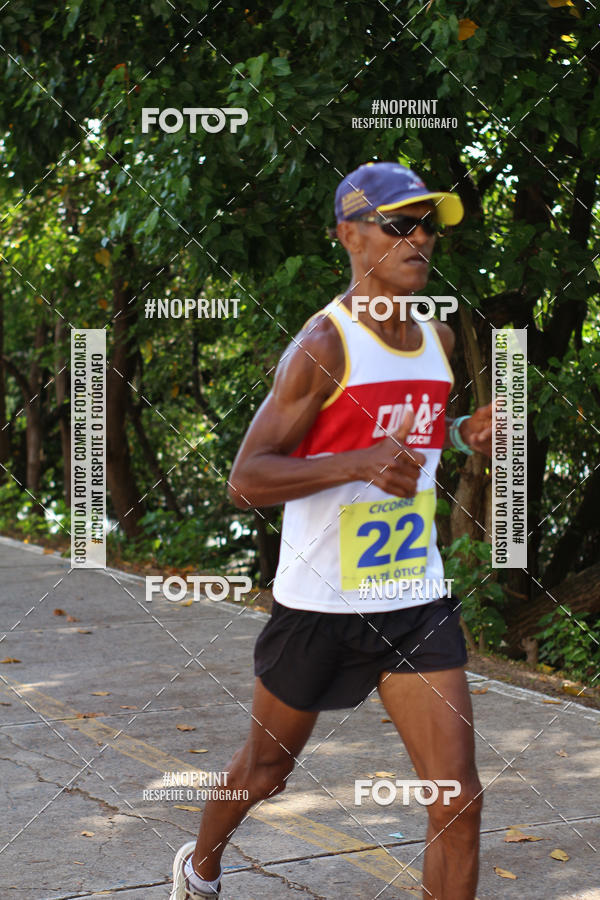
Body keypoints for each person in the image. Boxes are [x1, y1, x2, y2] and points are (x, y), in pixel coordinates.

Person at [170, 161, 493, 900]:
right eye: (399, 224)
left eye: (428, 226)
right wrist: (358, 465)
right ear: (349, 234)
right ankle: (201, 866)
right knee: (267, 769)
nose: (420, 240)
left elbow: (412, 435)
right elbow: (247, 479)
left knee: (459, 799)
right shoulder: (323, 343)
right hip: (319, 605)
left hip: (414, 600)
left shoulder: (439, 339)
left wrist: (466, 434)